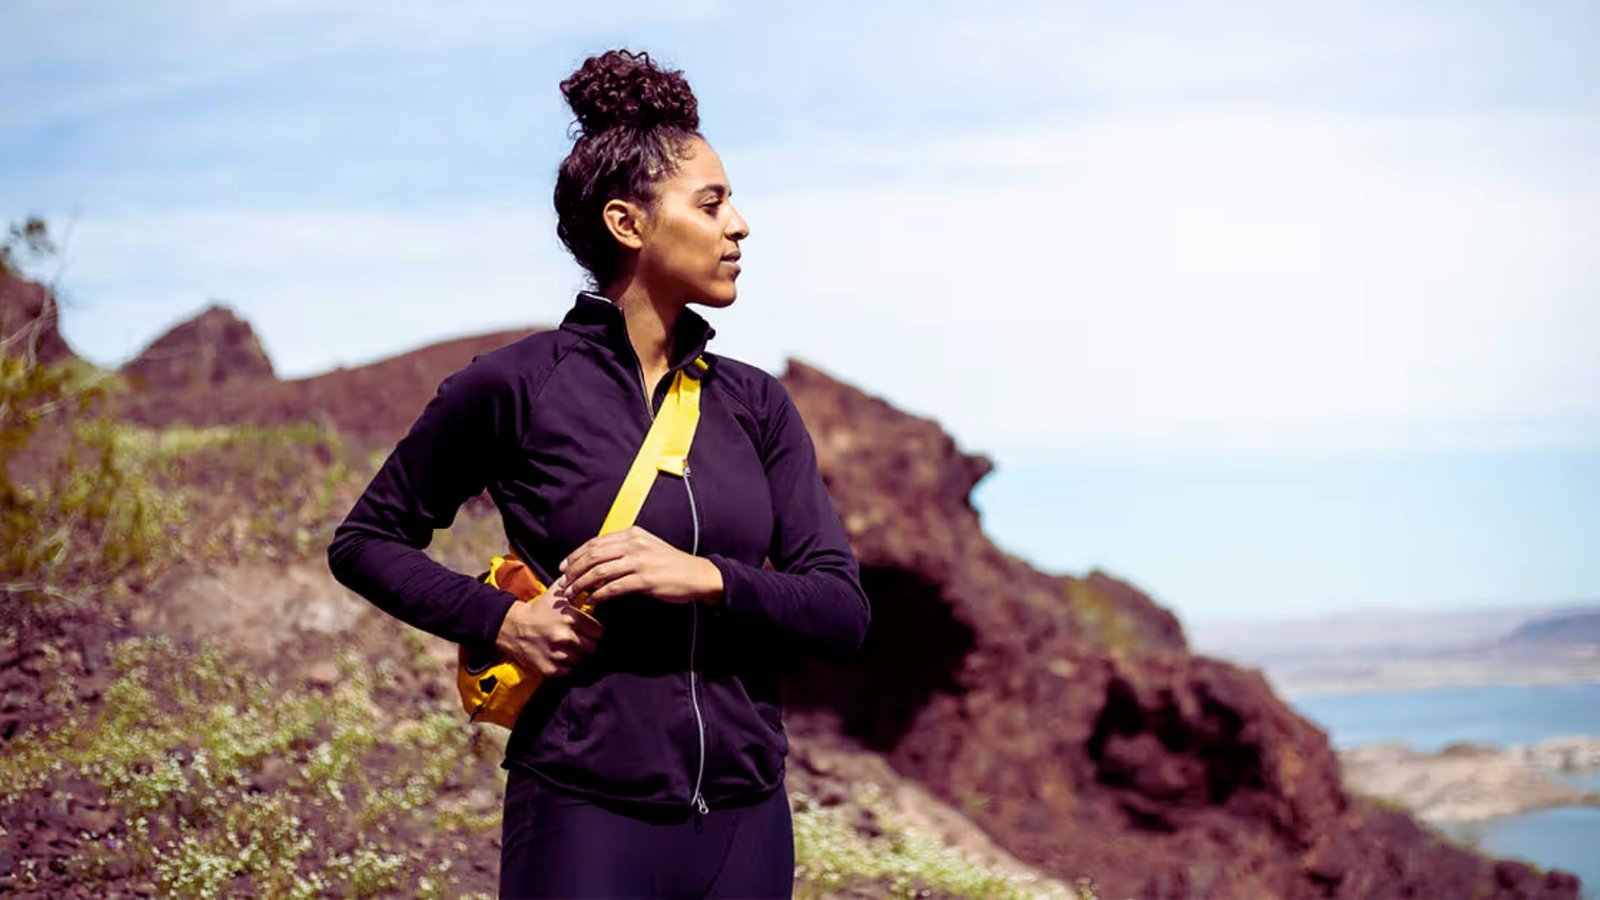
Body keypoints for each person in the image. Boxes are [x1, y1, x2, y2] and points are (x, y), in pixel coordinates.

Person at [325, 47, 871, 898]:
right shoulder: (515, 385)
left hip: (748, 819)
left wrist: (705, 577)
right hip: (581, 814)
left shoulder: (755, 404)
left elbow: (841, 609)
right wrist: (505, 622)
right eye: (712, 203)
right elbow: (365, 542)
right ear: (628, 224)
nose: (740, 226)